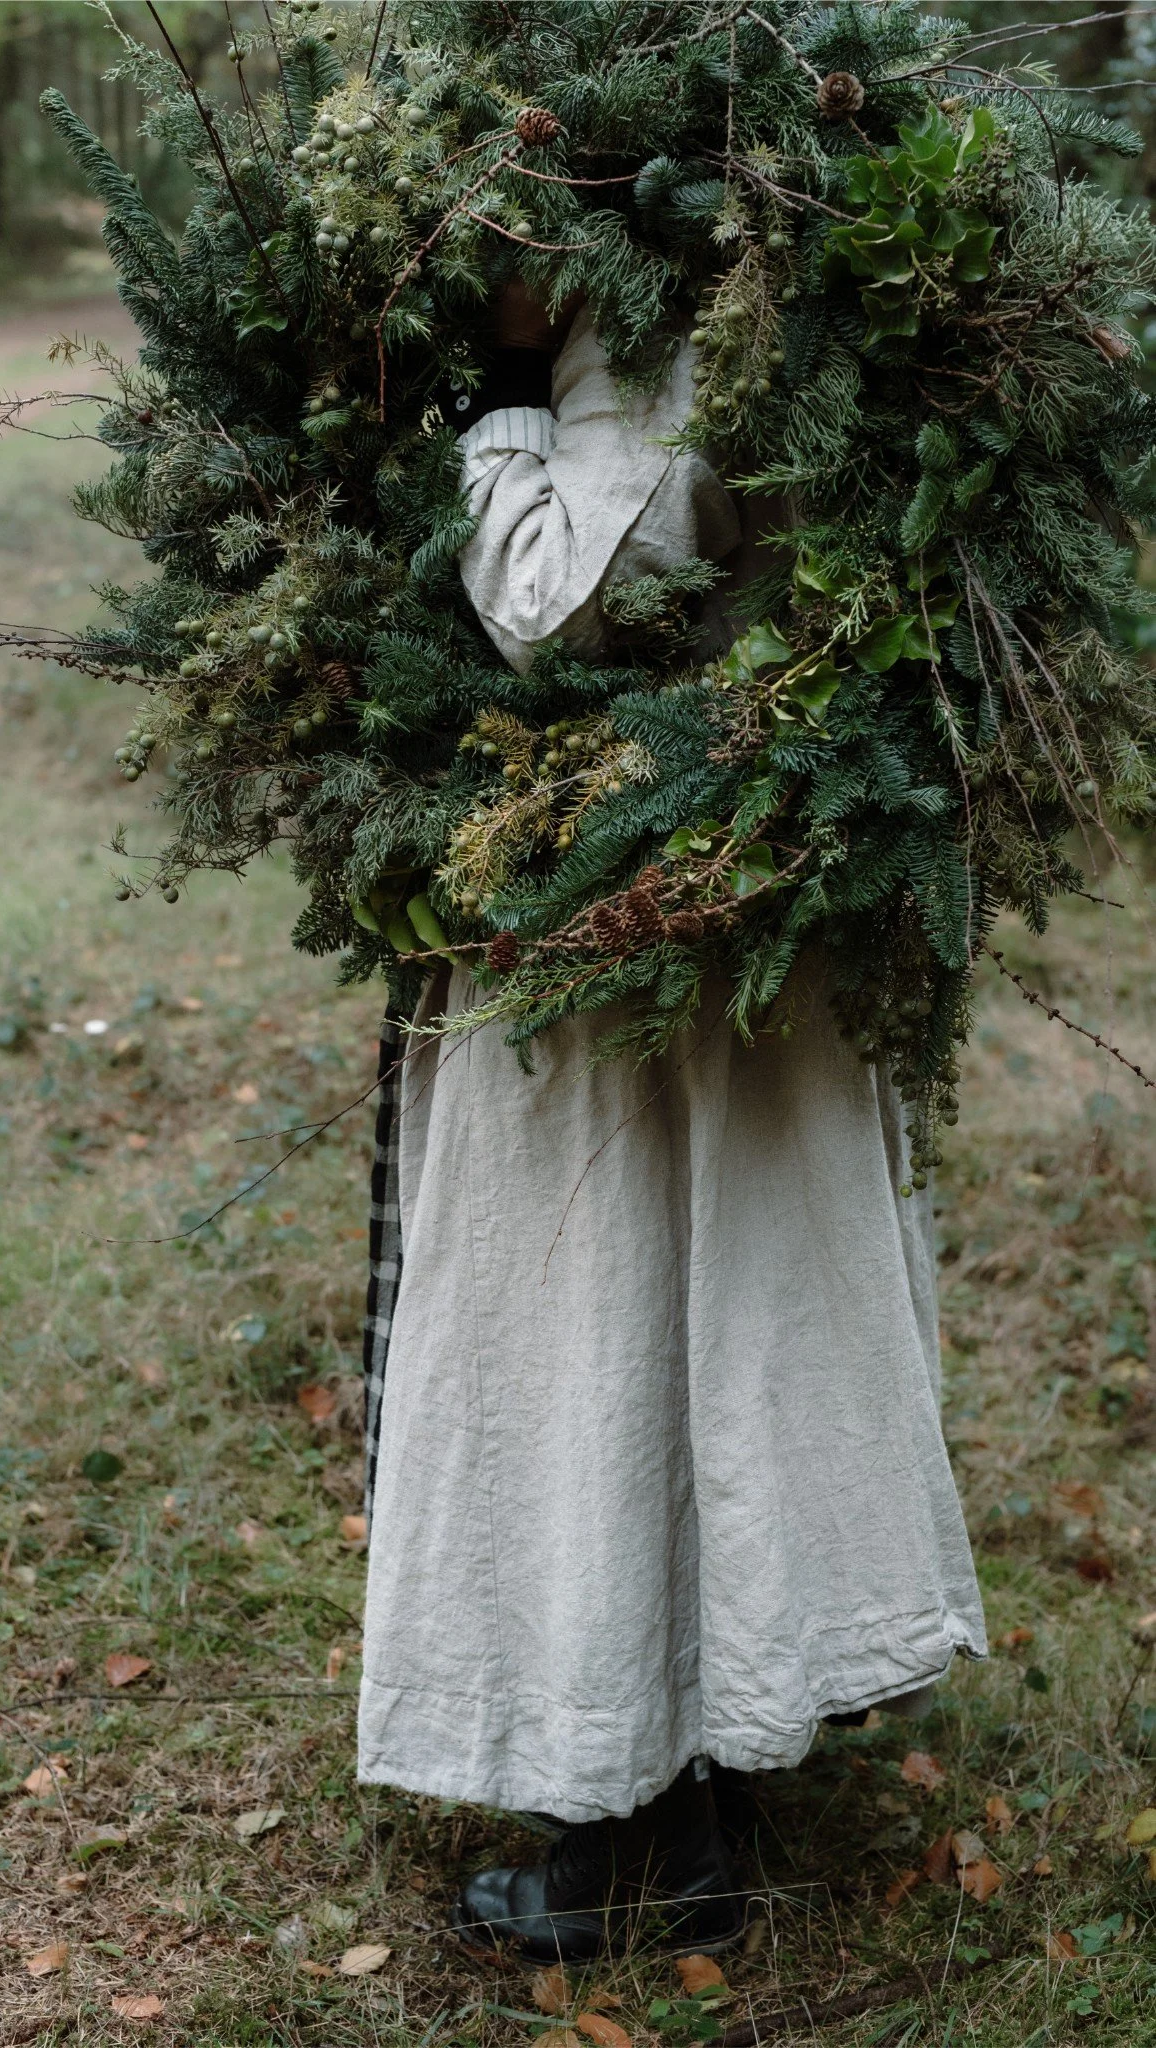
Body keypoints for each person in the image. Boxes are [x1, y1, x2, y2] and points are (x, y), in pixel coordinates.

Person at [355, 282, 987, 1963]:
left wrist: (506, 391)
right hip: (697, 917)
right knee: (701, 1329)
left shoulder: (665, 302)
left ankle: (630, 1823)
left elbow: (563, 604)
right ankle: (701, 1762)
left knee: (601, 1344)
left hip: (648, 940)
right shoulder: (754, 258)